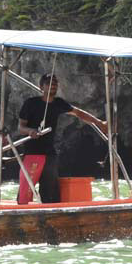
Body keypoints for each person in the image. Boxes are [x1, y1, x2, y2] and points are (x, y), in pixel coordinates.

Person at [17, 73, 107, 204]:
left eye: (55, 83)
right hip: (32, 153)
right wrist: (30, 131)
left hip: (50, 154)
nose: (53, 85)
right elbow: (20, 127)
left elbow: (79, 113)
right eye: (49, 83)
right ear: (41, 86)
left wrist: (99, 123)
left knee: (51, 193)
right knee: (26, 190)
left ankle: (51, 215)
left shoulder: (59, 103)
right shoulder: (31, 103)